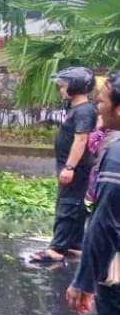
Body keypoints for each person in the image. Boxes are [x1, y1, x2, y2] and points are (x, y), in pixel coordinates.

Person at [66, 71, 120, 315]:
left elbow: (105, 225)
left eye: (104, 98)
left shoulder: (117, 155)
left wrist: (84, 281)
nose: (99, 104)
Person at [32, 67, 97, 264]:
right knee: (75, 206)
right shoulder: (78, 109)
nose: (61, 90)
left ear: (76, 87)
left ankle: (57, 249)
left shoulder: (84, 110)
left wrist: (69, 167)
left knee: (67, 204)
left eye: (64, 87)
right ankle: (75, 244)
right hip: (73, 167)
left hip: (75, 169)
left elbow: (81, 140)